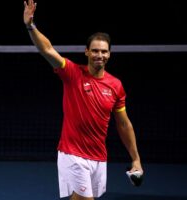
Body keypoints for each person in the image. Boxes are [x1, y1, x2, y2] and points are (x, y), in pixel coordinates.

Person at [23, 0, 144, 199]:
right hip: (73, 154)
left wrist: (136, 159)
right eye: (95, 50)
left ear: (109, 55)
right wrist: (30, 25)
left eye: (104, 51)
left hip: (98, 157)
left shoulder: (116, 86)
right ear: (86, 52)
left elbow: (124, 124)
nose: (99, 55)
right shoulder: (72, 73)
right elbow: (47, 49)